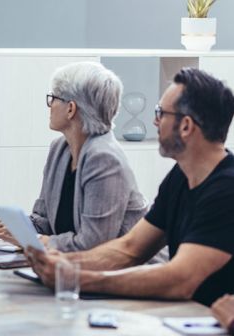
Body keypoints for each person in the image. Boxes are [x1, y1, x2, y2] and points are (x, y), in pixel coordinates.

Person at [25, 67, 234, 307]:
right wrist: (63, 263)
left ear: (186, 126)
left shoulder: (227, 190)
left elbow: (180, 279)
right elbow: (130, 248)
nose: (155, 121)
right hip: (190, 319)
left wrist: (79, 278)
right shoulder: (180, 177)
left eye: (161, 113)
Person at [0, 61, 147, 251]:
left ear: (71, 109)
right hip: (72, 268)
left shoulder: (105, 160)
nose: (50, 105)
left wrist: (36, 241)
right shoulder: (60, 150)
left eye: (54, 98)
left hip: (120, 274)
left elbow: (92, 246)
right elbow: (43, 224)